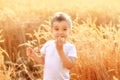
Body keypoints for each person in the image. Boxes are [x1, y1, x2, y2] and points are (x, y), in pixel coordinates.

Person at [26, 12, 77, 80]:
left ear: (69, 31)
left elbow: (69, 66)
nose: (60, 32)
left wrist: (60, 50)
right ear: (51, 31)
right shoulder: (48, 44)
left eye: (64, 29)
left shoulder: (70, 47)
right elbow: (43, 61)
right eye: (56, 29)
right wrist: (33, 55)